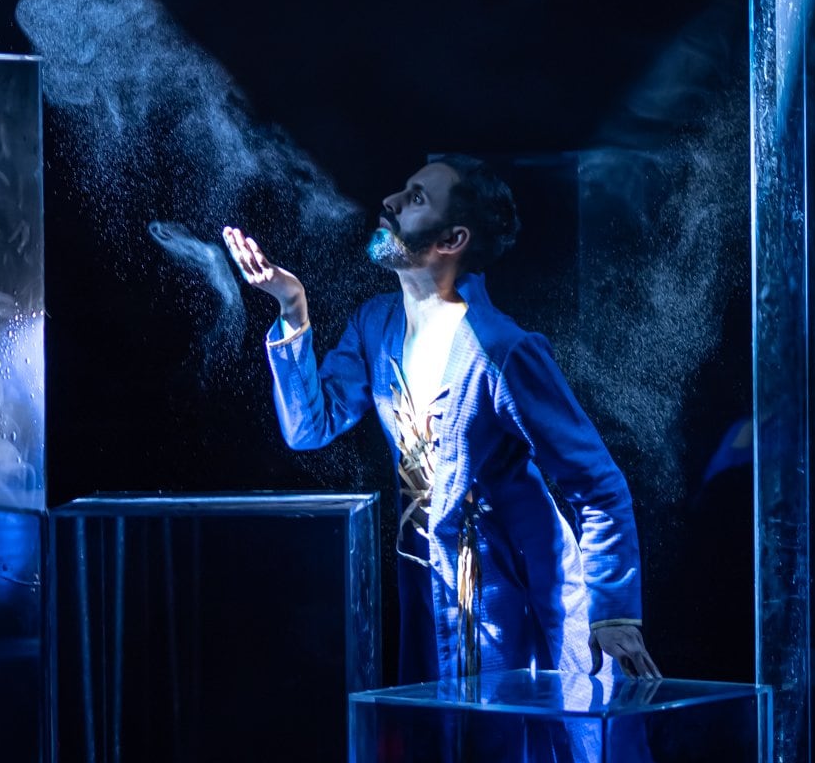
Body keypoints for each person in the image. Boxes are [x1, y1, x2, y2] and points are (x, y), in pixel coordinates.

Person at [223, 155, 659, 687]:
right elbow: (310, 427)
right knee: (444, 750)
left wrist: (613, 613)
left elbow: (597, 485)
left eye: (417, 198)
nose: (392, 202)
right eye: (404, 191)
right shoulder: (375, 326)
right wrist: (293, 307)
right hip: (429, 591)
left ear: (452, 241)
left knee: (517, 755)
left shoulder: (501, 351)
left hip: (512, 590)